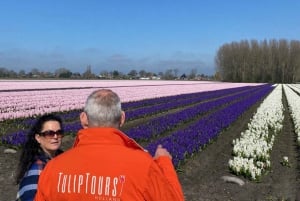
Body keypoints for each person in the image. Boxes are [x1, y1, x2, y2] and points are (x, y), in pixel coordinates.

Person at [34, 89, 184, 201]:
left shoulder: (53, 168)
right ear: (122, 118)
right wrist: (164, 163)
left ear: (83, 118)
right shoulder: (144, 166)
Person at [15, 114, 64, 201]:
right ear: (38, 138)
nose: (55, 137)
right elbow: (29, 197)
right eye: (49, 133)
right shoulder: (36, 168)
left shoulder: (63, 158)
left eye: (59, 132)